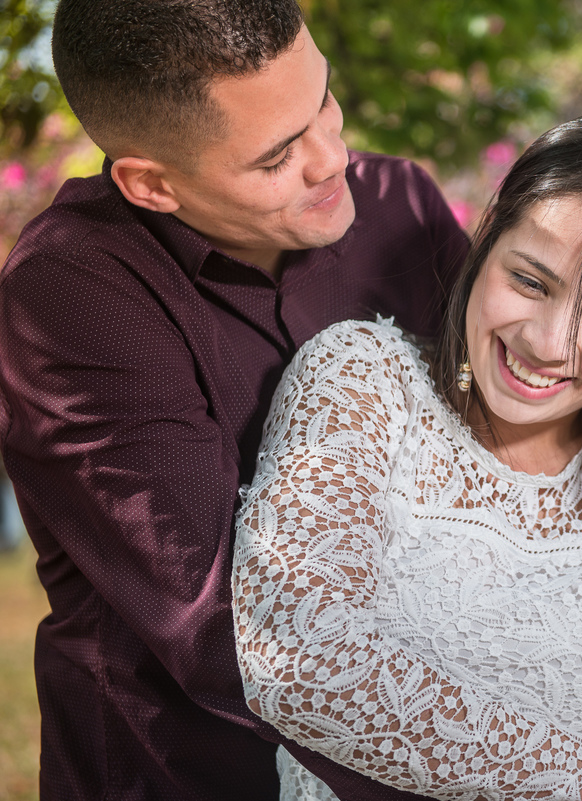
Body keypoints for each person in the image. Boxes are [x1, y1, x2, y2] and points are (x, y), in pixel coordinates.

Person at [232, 109, 582, 801]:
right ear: (488, 240)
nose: (549, 342)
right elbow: (298, 658)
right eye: (531, 281)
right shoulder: (363, 380)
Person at [0, 1, 468, 799]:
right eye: (278, 156)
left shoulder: (404, 208)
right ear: (151, 184)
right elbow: (234, 633)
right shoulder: (70, 297)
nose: (333, 158)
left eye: (323, 100)